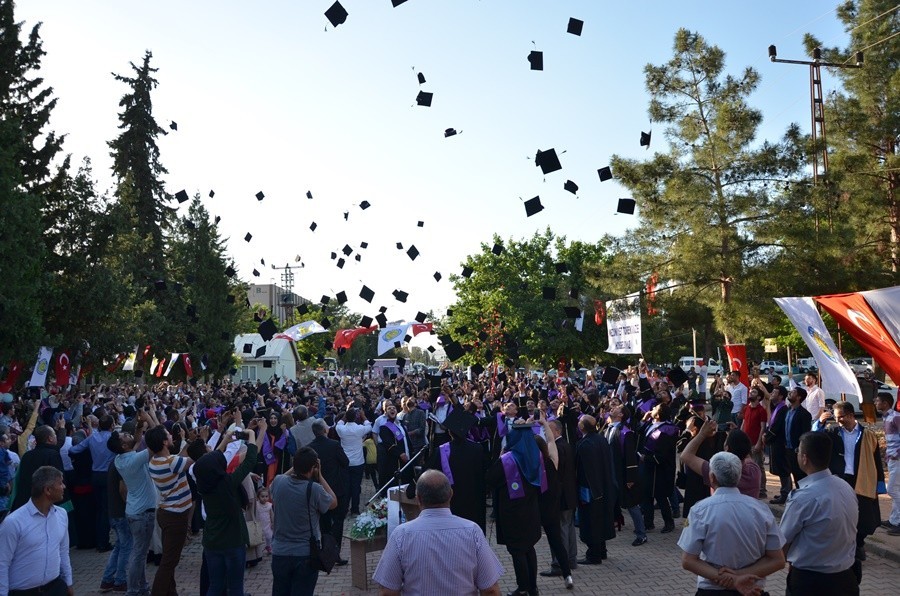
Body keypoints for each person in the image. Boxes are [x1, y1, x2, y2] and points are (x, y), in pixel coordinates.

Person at [373, 470, 504, 596]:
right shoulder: (472, 531)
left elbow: (388, 591)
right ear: (451, 494)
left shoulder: (401, 534)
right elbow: (490, 589)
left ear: (418, 498)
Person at [677, 452, 785, 596]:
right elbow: (777, 560)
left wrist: (728, 578)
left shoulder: (699, 510)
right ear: (738, 476)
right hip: (751, 590)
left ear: (712, 477)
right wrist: (738, 576)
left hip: (712, 590)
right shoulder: (761, 510)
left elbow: (688, 561)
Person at [779, 432, 860, 595]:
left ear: (804, 458)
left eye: (798, 452)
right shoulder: (846, 488)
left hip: (811, 582)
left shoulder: (803, 498)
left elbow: (782, 542)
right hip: (846, 579)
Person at [194, 420, 265, 596]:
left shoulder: (202, 483)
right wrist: (251, 435)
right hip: (233, 541)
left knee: (215, 585)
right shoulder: (228, 482)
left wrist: (225, 439)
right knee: (235, 588)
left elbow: (210, 462)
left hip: (212, 541)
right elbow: (250, 460)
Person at [813, 401, 883, 565]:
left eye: (840, 417)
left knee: (866, 519)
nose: (838, 421)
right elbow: (815, 440)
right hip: (840, 480)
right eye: (836, 418)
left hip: (862, 480)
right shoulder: (832, 432)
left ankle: (858, 542)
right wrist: (820, 423)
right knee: (840, 516)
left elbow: (876, 461)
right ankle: (850, 548)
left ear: (851, 415)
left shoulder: (867, 435)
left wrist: (879, 484)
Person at [269, 446, 337, 596]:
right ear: (313, 467)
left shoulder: (279, 482)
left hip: (280, 552)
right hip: (305, 554)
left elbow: (272, 485)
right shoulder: (314, 489)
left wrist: (296, 466)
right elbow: (333, 502)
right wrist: (320, 476)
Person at [487, 423, 544, 596]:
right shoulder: (536, 456)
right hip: (532, 510)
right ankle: (532, 587)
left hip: (513, 512)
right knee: (529, 548)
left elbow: (490, 479)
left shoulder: (508, 459)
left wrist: (500, 456)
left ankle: (523, 588)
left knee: (518, 550)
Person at [0, 466, 73, 596]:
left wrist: (68, 583)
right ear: (48, 490)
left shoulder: (61, 515)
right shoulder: (14, 522)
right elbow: (2, 562)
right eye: (60, 483)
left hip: (56, 588)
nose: (64, 487)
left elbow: (63, 551)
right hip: (24, 592)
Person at [146, 424, 194, 596]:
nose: (172, 436)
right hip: (176, 516)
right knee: (169, 562)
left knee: (169, 559)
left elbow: (179, 459)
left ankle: (171, 592)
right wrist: (197, 441)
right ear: (165, 442)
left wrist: (188, 442)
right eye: (169, 435)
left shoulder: (156, 462)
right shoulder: (171, 462)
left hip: (166, 513)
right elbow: (190, 458)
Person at [112, 418, 157, 596]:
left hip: (134, 510)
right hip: (143, 513)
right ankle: (132, 590)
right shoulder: (135, 459)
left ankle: (142, 586)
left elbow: (137, 441)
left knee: (140, 553)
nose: (127, 434)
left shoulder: (119, 459)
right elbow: (152, 445)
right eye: (124, 436)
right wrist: (151, 422)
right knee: (138, 554)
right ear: (123, 446)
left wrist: (140, 428)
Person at [426, 407, 487, 532]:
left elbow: (427, 472)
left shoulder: (440, 451)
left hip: (452, 500)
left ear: (449, 432)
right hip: (474, 500)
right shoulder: (478, 449)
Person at [68, 413, 116, 551]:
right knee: (105, 509)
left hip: (95, 475)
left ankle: (99, 539)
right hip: (108, 475)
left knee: (99, 508)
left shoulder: (92, 438)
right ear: (112, 426)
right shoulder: (112, 438)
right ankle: (103, 542)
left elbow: (73, 449)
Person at [575, 415, 617, 566]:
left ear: (582, 427)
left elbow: (585, 471)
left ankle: (593, 555)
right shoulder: (601, 439)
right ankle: (602, 550)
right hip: (604, 486)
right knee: (601, 519)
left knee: (591, 522)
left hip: (591, 490)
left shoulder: (585, 444)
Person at [309, 419, 350, 566]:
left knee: (324, 523)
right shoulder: (334, 445)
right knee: (338, 521)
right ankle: (335, 552)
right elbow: (345, 462)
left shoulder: (310, 447)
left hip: (318, 490)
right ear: (325, 430)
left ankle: (326, 552)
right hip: (336, 488)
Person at [605, 405, 646, 547]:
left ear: (621, 415)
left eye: (616, 408)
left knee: (631, 505)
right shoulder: (609, 428)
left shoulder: (625, 432)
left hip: (622, 474)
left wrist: (631, 478)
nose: (612, 408)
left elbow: (630, 456)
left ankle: (641, 534)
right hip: (611, 473)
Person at [638, 403, 679, 533]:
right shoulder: (651, 424)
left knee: (660, 497)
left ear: (659, 413)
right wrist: (644, 419)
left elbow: (664, 451)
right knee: (646, 495)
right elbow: (639, 434)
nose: (652, 409)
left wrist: (649, 459)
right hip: (648, 466)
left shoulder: (668, 429)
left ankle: (669, 523)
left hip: (660, 467)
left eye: (655, 408)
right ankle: (648, 523)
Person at [10, 424, 65, 512]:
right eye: (55, 435)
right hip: (44, 505)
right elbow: (58, 480)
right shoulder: (53, 455)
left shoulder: (26, 456)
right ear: (50, 438)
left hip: (23, 504)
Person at [100, 442, 131, 592]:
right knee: (126, 546)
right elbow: (122, 489)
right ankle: (120, 581)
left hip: (115, 511)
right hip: (121, 512)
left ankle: (107, 579)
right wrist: (130, 506)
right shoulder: (120, 463)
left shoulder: (115, 461)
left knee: (120, 546)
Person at [334, 406, 372, 515]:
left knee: (345, 486)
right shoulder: (359, 429)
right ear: (356, 417)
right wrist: (363, 416)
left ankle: (344, 508)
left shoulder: (341, 429)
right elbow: (369, 426)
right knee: (356, 486)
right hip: (358, 462)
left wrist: (346, 415)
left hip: (345, 462)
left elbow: (339, 423)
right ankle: (355, 509)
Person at [761, 386, 791, 504]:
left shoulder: (783, 409)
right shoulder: (777, 407)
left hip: (780, 442)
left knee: (783, 469)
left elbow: (776, 427)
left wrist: (767, 436)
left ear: (781, 396)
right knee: (780, 468)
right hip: (775, 442)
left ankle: (786, 493)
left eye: (774, 392)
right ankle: (784, 491)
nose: (772, 393)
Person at [875, 392, 899, 533]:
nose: (875, 403)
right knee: (897, 489)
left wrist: (895, 454)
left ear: (885, 403)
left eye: (878, 401)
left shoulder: (896, 417)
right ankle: (894, 520)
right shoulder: (887, 418)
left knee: (892, 490)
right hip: (892, 459)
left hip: (897, 459)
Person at [740, 388, 768, 499]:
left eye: (754, 392)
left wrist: (759, 443)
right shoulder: (747, 408)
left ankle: (762, 490)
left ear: (759, 397)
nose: (750, 393)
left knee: (758, 466)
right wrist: (740, 436)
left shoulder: (761, 410)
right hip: (746, 442)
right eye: (751, 392)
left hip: (755, 443)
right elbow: (744, 422)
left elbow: (763, 428)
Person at [783, 386, 812, 490]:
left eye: (793, 392)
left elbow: (805, 434)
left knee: (801, 476)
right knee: (793, 474)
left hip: (797, 450)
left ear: (799, 397)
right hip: (788, 449)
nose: (790, 393)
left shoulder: (804, 414)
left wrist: (801, 449)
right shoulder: (788, 411)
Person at [377, 403, 410, 488]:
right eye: (389, 408)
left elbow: (406, 440)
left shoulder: (401, 424)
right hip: (395, 461)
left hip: (407, 457)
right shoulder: (384, 427)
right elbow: (389, 444)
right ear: (385, 412)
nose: (392, 410)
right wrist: (400, 453)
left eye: (394, 408)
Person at [256, 486, 275, 554]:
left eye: (266, 496)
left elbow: (271, 514)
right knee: (261, 537)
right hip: (259, 524)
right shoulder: (257, 505)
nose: (265, 498)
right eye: (262, 496)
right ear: (258, 497)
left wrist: (273, 522)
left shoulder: (269, 505)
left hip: (267, 524)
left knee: (269, 536)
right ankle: (261, 548)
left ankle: (268, 546)